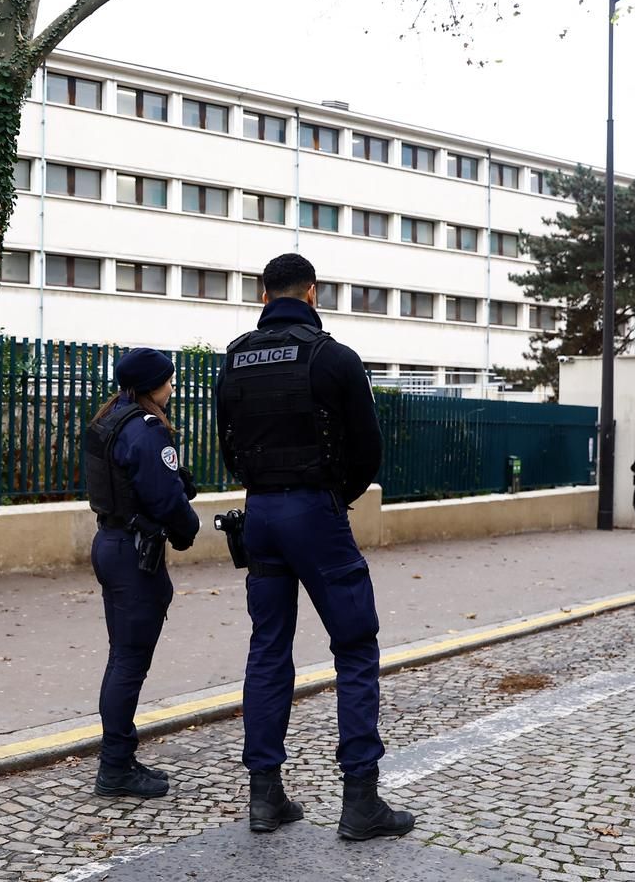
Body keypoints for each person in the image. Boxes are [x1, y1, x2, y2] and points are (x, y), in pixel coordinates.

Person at [215, 253, 414, 841]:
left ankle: (265, 797)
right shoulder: (334, 358)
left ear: (262, 293)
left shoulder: (235, 358)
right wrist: (334, 496)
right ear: (312, 293)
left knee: (268, 649)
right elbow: (368, 451)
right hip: (315, 513)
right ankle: (361, 802)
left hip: (261, 513)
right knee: (354, 647)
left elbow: (228, 443)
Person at [84, 348, 201, 799]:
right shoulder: (146, 428)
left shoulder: (109, 420)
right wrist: (187, 529)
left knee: (123, 657)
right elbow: (164, 497)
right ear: (153, 384)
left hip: (111, 543)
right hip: (134, 553)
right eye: (168, 381)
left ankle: (122, 758)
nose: (172, 388)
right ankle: (114, 769)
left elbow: (133, 482)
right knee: (129, 662)